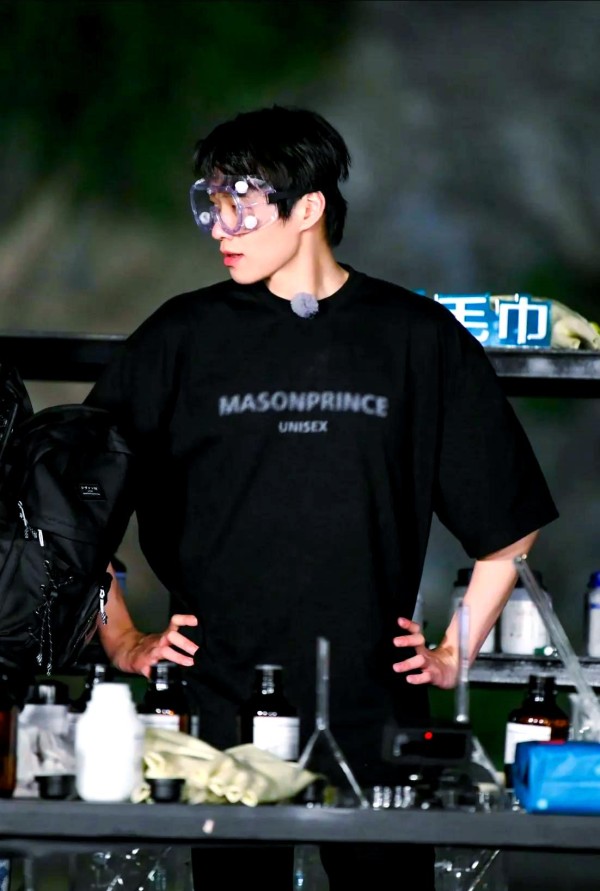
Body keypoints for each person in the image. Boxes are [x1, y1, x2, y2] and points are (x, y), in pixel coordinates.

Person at [85, 105, 558, 889]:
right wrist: (123, 638)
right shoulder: (180, 337)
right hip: (224, 703)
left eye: (241, 205)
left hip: (374, 704)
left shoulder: (414, 336)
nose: (220, 227)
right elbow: (74, 502)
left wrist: (454, 651)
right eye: (211, 204)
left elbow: (508, 525)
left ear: (307, 208)